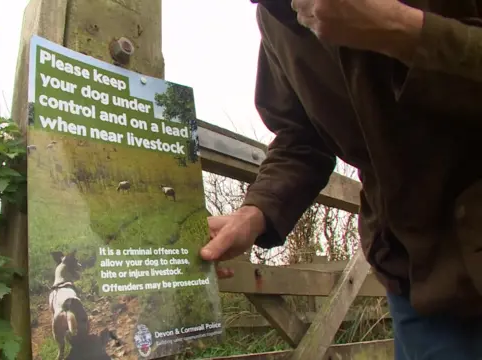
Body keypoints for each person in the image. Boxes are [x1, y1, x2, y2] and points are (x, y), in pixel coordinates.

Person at [199, 1, 482, 359]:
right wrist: (256, 212)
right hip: (415, 272)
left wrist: (400, 29)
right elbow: (300, 138)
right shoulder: (275, 17)